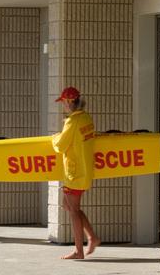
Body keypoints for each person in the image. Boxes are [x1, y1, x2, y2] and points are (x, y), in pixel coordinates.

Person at [51, 86, 98, 260]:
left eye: (63, 102)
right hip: (83, 170)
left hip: (75, 173)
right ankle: (92, 237)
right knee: (69, 206)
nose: (63, 105)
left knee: (73, 210)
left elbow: (61, 145)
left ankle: (79, 250)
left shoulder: (72, 121)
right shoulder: (86, 118)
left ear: (70, 102)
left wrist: (55, 137)